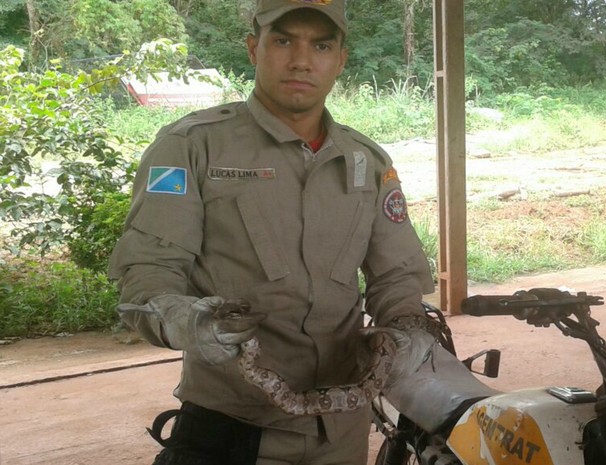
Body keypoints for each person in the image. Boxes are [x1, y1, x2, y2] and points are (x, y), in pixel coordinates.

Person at [108, 1, 435, 464]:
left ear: (340, 60)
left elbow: (397, 274)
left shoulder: (368, 161)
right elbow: (148, 273)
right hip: (231, 425)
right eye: (283, 40)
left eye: (321, 45)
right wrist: (187, 319)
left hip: (340, 431)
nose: (301, 60)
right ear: (252, 48)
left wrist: (405, 330)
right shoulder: (190, 146)